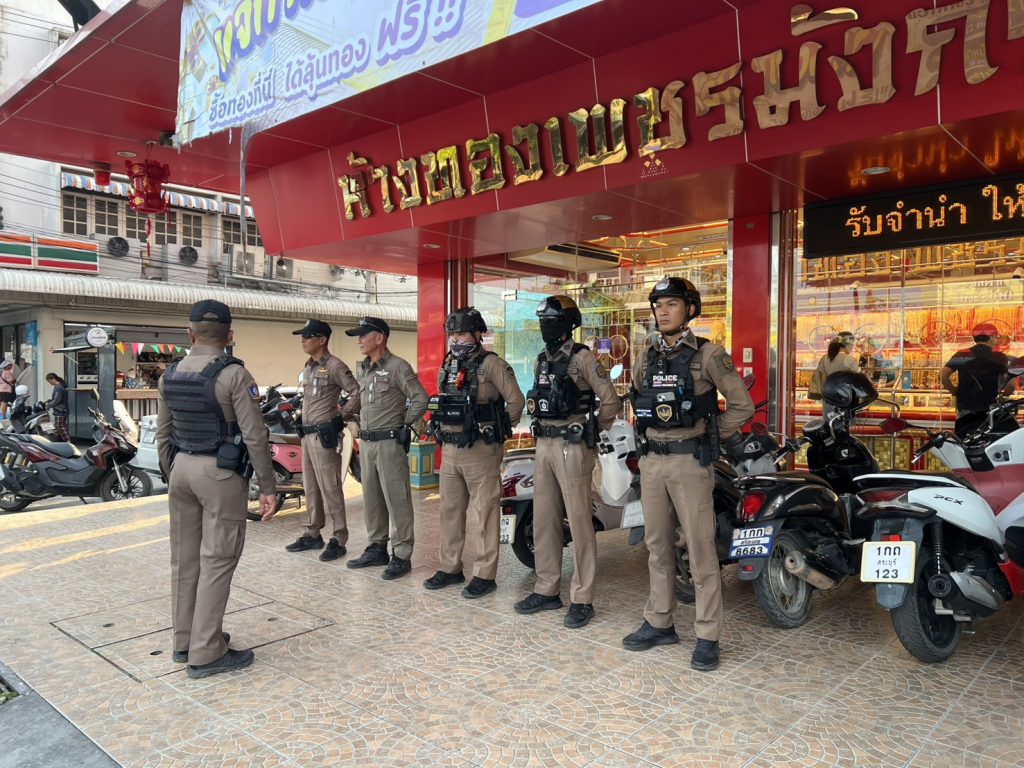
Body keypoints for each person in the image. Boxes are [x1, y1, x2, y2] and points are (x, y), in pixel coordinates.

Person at [622, 277, 754, 671]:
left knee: (699, 548)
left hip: (689, 461)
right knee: (657, 545)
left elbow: (742, 405)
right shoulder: (646, 357)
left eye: (672, 304)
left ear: (690, 310)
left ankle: (708, 635)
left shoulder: (709, 355)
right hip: (652, 462)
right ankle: (659, 621)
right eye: (658, 305)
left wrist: (711, 433)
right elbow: (637, 400)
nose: (663, 311)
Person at [156, 300, 278, 679]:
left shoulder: (170, 374)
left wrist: (174, 471)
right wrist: (267, 487)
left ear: (189, 334)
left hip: (180, 469)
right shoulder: (234, 375)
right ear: (229, 336)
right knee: (217, 559)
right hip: (220, 474)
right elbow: (255, 436)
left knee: (184, 559)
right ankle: (207, 650)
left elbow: (163, 434)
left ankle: (184, 640)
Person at [515, 295, 621, 629]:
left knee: (578, 521)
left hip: (572, 445)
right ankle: (547, 588)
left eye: (551, 321)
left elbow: (610, 400)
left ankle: (582, 597)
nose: (545, 326)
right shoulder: (541, 360)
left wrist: (592, 430)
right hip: (544, 444)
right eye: (542, 321)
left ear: (567, 325)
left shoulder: (583, 358)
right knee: (544, 519)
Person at [423, 307, 525, 598]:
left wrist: (497, 432)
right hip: (451, 448)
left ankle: (484, 574)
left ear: (478, 334)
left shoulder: (492, 364)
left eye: (462, 334)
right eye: (452, 334)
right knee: (450, 512)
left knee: (485, 514)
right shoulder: (448, 364)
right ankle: (450, 567)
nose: (455, 340)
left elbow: (516, 402)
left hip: (481, 450)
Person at [344, 316, 428, 579]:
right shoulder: (365, 369)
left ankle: (401, 554)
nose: (359, 340)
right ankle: (376, 547)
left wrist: (404, 423)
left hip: (389, 443)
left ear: (379, 337)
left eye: (364, 335)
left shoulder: (398, 366)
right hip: (367, 443)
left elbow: (420, 398)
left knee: (397, 499)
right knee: (372, 499)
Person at [284, 319, 361, 561]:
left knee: (330, 486)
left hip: (324, 434)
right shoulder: (308, 367)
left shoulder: (335, 366)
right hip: (307, 435)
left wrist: (341, 416)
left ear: (322, 340)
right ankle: (313, 533)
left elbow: (356, 391)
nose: (303, 340)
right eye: (302, 336)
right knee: (311, 487)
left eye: (308, 336)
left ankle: (339, 537)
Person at [941, 322, 1016, 437]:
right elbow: (1010, 384)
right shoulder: (999, 357)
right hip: (988, 407)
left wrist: (954, 391)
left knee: (965, 438)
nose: (997, 339)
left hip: (965, 407)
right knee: (986, 439)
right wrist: (1005, 394)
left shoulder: (962, 354)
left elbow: (943, 375)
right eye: (996, 336)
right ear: (991, 337)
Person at [808, 331, 858, 400]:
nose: (852, 348)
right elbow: (857, 380)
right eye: (852, 345)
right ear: (848, 345)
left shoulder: (824, 358)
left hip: (827, 397)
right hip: (845, 399)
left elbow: (819, 378)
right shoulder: (849, 360)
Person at [44, 372, 70, 441]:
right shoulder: (60, 386)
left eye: (49, 381)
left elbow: (56, 400)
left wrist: (48, 405)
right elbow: (57, 398)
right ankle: (63, 441)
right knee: (62, 426)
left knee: (60, 426)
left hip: (60, 410)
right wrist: (49, 401)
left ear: (53, 379)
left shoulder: (58, 387)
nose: (49, 383)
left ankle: (68, 441)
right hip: (63, 410)